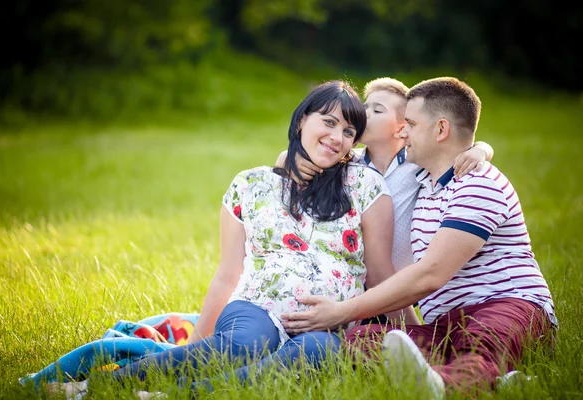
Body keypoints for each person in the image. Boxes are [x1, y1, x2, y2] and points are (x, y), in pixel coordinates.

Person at [51, 80, 410, 398]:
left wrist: (420, 338)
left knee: (320, 353)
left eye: (349, 131)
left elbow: (380, 273)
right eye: (328, 122)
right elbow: (228, 274)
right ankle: (93, 389)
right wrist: (195, 345)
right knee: (248, 343)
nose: (337, 137)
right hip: (256, 309)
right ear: (302, 120)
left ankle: (182, 395)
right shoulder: (250, 184)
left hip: (329, 323)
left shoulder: (365, 186)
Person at [280, 77, 556, 397]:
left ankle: (445, 384)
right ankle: (499, 381)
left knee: (481, 343)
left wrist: (342, 311)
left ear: (440, 130)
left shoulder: (478, 183)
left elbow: (431, 275)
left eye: (410, 123)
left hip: (504, 304)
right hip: (446, 323)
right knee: (361, 340)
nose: (403, 131)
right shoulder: (424, 178)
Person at [277, 77, 493, 325]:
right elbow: (290, 159)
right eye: (364, 106)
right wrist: (288, 158)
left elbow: (458, 147)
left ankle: (417, 340)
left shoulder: (417, 165)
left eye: (376, 110)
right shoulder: (347, 163)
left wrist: (481, 150)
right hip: (351, 284)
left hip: (396, 290)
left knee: (395, 340)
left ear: (405, 127)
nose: (363, 113)